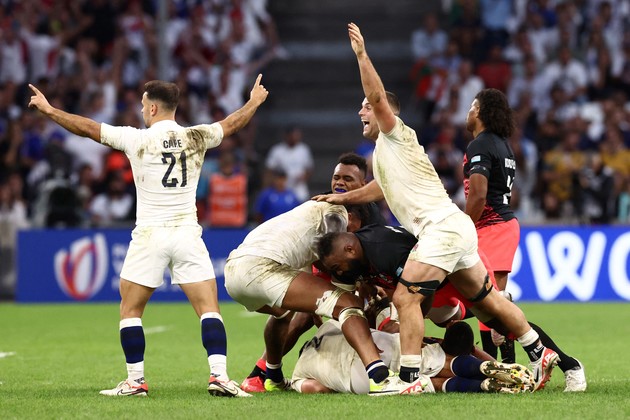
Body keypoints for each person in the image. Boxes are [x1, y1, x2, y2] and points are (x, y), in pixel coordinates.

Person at [314, 22, 558, 394]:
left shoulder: (395, 133)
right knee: (487, 302)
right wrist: (342, 198)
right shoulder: (386, 154)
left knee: (405, 298)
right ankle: (539, 351)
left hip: (440, 230)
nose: (361, 111)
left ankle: (409, 379)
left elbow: (377, 96)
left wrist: (362, 56)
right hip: (456, 229)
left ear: (384, 112)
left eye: (366, 107)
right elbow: (380, 188)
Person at [27, 74, 269, 397]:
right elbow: (232, 123)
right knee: (209, 308)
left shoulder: (136, 139)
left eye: (143, 105)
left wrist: (49, 110)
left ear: (153, 108)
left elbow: (87, 128)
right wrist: (253, 102)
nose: (142, 110)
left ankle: (135, 381)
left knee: (130, 309)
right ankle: (220, 376)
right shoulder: (197, 136)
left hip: (150, 235)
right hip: (187, 233)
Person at [316, 223, 587, 392]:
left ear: (349, 248)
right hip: (437, 285)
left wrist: (410, 322)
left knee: (499, 322)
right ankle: (495, 362)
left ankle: (571, 367)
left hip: (452, 275)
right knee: (450, 321)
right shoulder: (363, 250)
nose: (338, 273)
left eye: (337, 267)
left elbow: (418, 290)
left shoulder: (384, 250)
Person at [224, 195, 408, 395]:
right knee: (348, 304)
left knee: (283, 314)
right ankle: (379, 378)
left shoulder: (304, 218)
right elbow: (332, 243)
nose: (356, 235)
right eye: (357, 229)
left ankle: (271, 376)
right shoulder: (337, 213)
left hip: (234, 274)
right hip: (261, 267)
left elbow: (311, 272)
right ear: (352, 217)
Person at [239, 152, 384, 393]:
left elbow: (371, 254)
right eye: (336, 177)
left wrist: (366, 281)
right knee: (302, 316)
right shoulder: (326, 205)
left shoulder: (372, 216)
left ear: (363, 184)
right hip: (323, 264)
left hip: (351, 269)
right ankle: (261, 372)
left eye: (347, 179)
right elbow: (316, 254)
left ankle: (367, 364)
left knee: (370, 306)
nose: (339, 183)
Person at [292, 320, 533, 395]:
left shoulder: (298, 373)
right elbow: (359, 324)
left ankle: (483, 386)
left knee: (428, 383)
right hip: (377, 347)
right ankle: (486, 367)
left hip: (356, 375)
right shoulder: (328, 326)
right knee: (438, 362)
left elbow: (318, 388)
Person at [463, 88, 519, 363]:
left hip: (491, 226)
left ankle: (507, 364)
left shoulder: (480, 145)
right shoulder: (504, 146)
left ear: (480, 112)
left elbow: (478, 195)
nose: (468, 111)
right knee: (491, 299)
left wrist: (464, 227)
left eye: (472, 106)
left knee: (488, 299)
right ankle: (502, 365)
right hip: (502, 225)